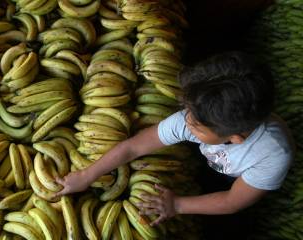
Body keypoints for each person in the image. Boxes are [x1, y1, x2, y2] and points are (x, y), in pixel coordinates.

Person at [55, 51, 294, 226]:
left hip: (242, 179)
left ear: (236, 137)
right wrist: (87, 175)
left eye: (197, 126)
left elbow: (232, 200)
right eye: (187, 113)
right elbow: (133, 147)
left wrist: (178, 205)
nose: (187, 122)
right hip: (219, 154)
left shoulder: (272, 155)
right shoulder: (196, 115)